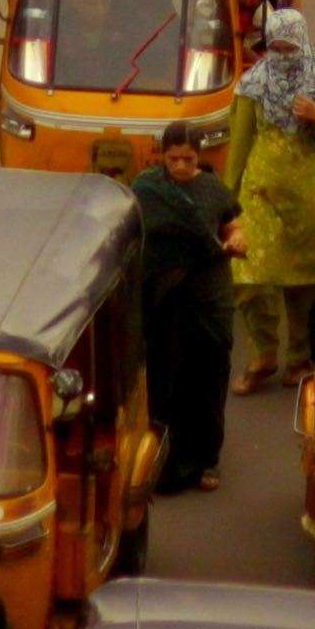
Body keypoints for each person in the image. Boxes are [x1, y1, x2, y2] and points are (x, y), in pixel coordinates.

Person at [227, 8, 315, 386]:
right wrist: (227, 201)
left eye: (290, 48)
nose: (283, 57)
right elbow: (240, 143)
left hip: (310, 198)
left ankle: (297, 360)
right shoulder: (252, 85)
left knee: (303, 284)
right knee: (249, 276)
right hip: (260, 194)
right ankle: (263, 354)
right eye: (275, 49)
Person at [131, 122, 237, 492]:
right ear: (162, 156)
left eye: (187, 159)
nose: (179, 165)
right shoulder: (146, 189)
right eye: (173, 158)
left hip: (207, 296)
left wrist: (236, 239)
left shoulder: (211, 188)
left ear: (199, 156)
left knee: (207, 377)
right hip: (164, 301)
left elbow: (232, 224)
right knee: (166, 380)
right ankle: (163, 461)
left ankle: (206, 460)